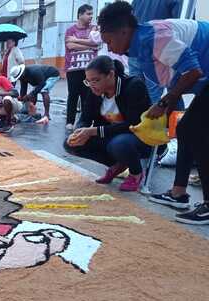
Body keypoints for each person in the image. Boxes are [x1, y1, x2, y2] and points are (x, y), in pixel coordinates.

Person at [98, 1, 209, 224]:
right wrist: (161, 105)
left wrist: (166, 102)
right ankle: (178, 193)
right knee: (186, 128)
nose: (109, 48)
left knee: (195, 130)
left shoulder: (153, 38)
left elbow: (193, 71)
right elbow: (173, 75)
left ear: (123, 31)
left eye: (109, 41)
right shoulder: (141, 43)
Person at [64, 56, 152, 192]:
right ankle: (119, 164)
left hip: (140, 137)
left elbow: (134, 124)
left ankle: (136, 173)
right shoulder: (94, 91)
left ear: (110, 75)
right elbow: (85, 118)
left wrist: (94, 131)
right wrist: (79, 130)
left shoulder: (133, 86)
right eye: (88, 81)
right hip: (112, 136)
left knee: (119, 144)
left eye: (96, 80)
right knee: (72, 143)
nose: (92, 85)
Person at [129, 0, 183, 104]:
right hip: (157, 50)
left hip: (136, 49)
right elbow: (179, 25)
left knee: (136, 91)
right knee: (159, 96)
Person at [64, 4, 98, 131]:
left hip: (89, 69)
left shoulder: (93, 29)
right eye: (88, 14)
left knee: (87, 96)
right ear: (80, 15)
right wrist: (89, 45)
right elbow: (70, 46)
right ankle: (70, 122)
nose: (91, 16)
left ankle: (84, 122)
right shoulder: (70, 30)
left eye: (91, 14)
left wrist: (77, 41)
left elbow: (96, 44)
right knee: (73, 95)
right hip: (73, 68)